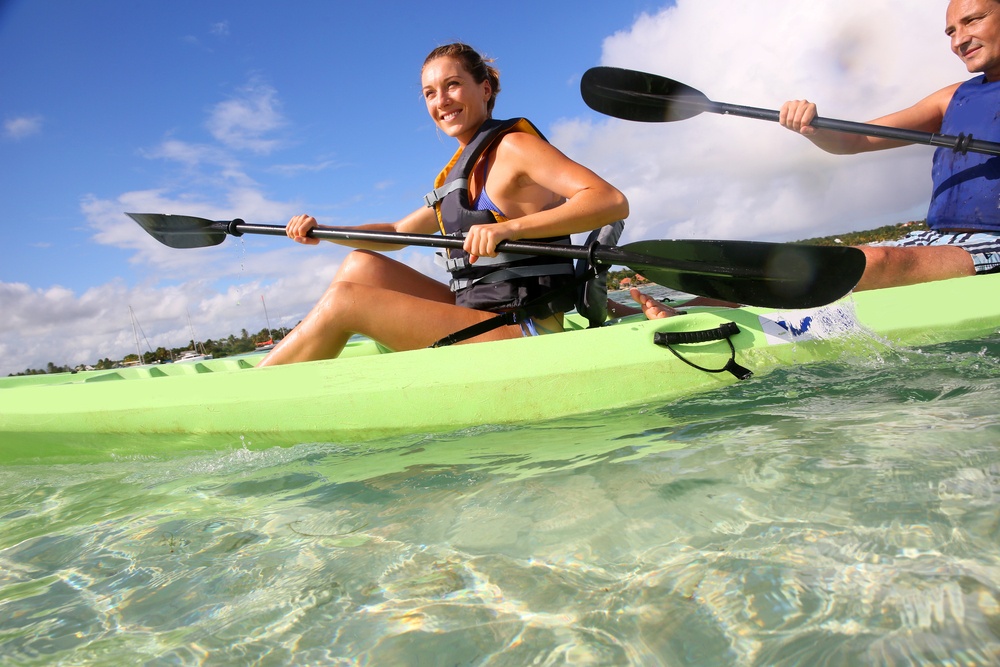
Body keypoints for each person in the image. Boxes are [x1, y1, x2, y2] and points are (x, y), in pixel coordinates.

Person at [258, 43, 628, 367]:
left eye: (452, 85)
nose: (442, 101)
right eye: (430, 93)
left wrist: (508, 228)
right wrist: (322, 232)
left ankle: (257, 390)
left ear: (484, 89)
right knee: (360, 264)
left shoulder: (515, 147)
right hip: (481, 315)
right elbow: (399, 232)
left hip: (524, 330)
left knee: (345, 300)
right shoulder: (459, 179)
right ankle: (288, 364)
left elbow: (609, 200)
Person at [779, 0, 1000, 291]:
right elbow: (854, 139)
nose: (958, 40)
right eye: (950, 32)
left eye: (972, 21)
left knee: (871, 262)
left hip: (994, 243)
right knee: (824, 261)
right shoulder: (949, 99)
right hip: (938, 240)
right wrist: (810, 126)